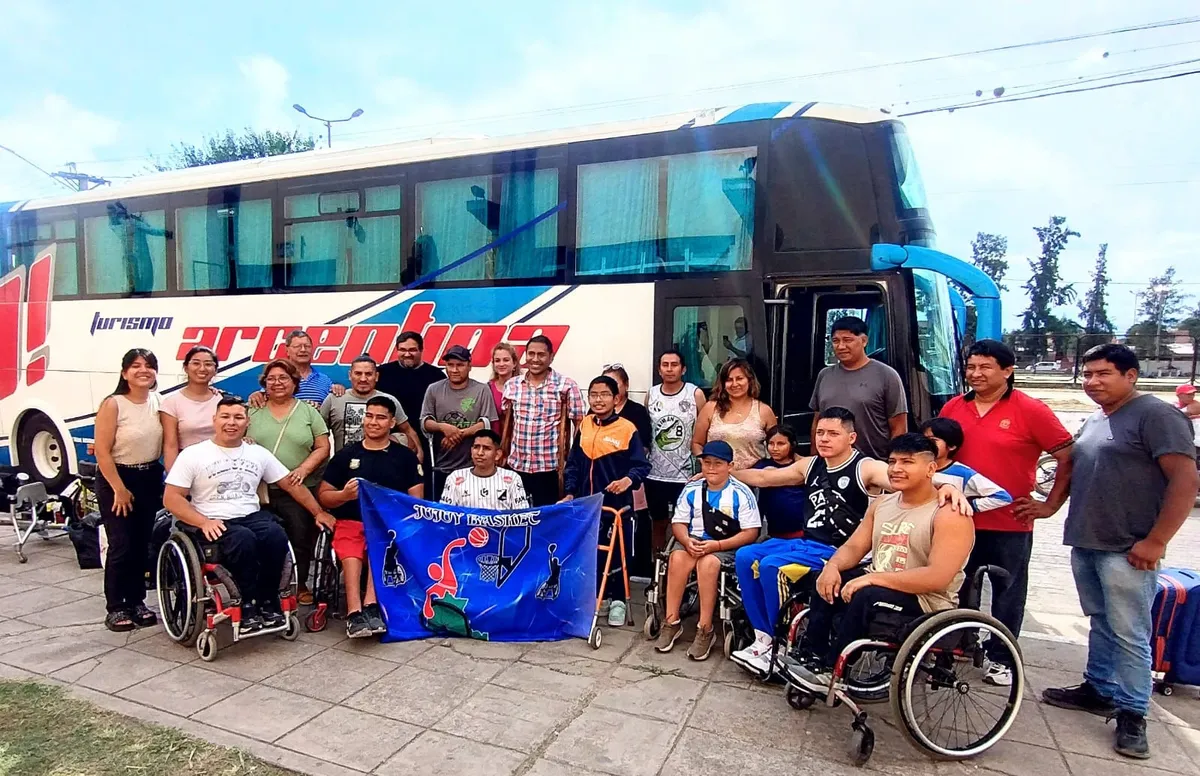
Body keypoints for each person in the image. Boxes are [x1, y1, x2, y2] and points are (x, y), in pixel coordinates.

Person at [1042, 344, 1199, 761]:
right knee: (1101, 621)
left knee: (1131, 633)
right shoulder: (1097, 418)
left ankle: (1133, 713)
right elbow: (1075, 468)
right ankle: (1099, 688)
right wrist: (1050, 507)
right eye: (1089, 374)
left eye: (1104, 374)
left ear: (1131, 375)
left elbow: (1185, 481)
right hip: (1089, 540)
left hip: (1129, 548)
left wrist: (1157, 540)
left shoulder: (1158, 416)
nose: (1093, 382)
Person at [729, 407, 961, 674]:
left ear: (851, 438)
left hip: (836, 548)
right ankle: (762, 638)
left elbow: (907, 477)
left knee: (772, 566)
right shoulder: (811, 464)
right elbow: (763, 477)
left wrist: (947, 487)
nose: (824, 439)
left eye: (832, 433)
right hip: (807, 541)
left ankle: (778, 643)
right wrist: (722, 473)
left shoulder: (865, 468)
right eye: (819, 433)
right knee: (745, 555)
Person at [788, 433, 974, 688]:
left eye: (907, 462)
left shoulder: (950, 514)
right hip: (882, 583)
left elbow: (937, 577)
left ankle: (833, 670)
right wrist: (832, 567)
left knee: (867, 593)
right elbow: (854, 546)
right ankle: (812, 656)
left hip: (925, 600)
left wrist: (872, 578)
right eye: (892, 461)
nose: (896, 469)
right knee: (825, 578)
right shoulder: (883, 503)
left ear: (931, 468)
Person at [942, 339, 1074, 687]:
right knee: (957, 585)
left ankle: (1001, 656)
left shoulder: (1030, 410)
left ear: (1007, 370)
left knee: (1007, 591)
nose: (976, 374)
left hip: (1009, 523)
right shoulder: (954, 407)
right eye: (971, 367)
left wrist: (1050, 505)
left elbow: (1067, 455)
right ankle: (956, 645)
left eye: (985, 367)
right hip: (958, 520)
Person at [164, 397, 336, 633]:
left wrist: (318, 512)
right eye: (225, 417)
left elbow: (290, 484)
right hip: (213, 519)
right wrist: (202, 522)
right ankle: (247, 603)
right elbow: (171, 498)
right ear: (214, 420)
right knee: (243, 540)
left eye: (238, 417)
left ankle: (268, 601)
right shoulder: (194, 455)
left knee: (276, 536)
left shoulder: (257, 453)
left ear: (247, 423)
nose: (231, 423)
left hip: (250, 515)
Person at [319, 396, 423, 639]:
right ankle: (354, 613)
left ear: (392, 422)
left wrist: (396, 518)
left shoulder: (404, 457)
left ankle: (372, 606)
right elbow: (324, 496)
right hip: (350, 521)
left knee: (382, 546)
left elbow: (415, 501)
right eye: (369, 416)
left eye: (380, 417)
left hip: (388, 526)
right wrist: (344, 495)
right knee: (351, 545)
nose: (373, 422)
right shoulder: (346, 455)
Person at [654, 440, 760, 661]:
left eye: (718, 463)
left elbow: (751, 532)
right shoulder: (692, 489)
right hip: (693, 540)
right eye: (707, 463)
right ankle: (671, 621)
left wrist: (717, 546)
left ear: (730, 466)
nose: (711, 468)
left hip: (725, 544)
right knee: (677, 559)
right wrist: (686, 540)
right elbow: (679, 523)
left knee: (709, 564)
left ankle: (706, 628)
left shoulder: (741, 493)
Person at [561, 375, 651, 628]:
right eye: (593, 394)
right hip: (587, 506)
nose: (598, 400)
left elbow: (642, 466)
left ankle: (619, 601)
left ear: (616, 398)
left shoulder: (627, 429)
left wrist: (627, 481)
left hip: (617, 506)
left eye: (604, 394)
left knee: (619, 555)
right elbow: (574, 464)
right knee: (591, 553)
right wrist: (570, 492)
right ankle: (594, 599)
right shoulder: (585, 425)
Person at [248, 360, 331, 606]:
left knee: (300, 534)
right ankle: (261, 586)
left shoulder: (308, 411)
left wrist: (304, 469)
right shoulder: (252, 409)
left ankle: (300, 583)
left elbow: (323, 446)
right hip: (258, 490)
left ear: (294, 382)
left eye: (283, 378)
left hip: (299, 488)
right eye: (271, 379)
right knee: (257, 538)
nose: (277, 383)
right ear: (264, 384)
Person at [93, 348, 164, 632]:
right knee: (121, 545)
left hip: (149, 477)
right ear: (125, 373)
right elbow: (102, 451)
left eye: (149, 366)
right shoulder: (113, 404)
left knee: (141, 544)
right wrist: (119, 489)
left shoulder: (159, 402)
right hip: (117, 479)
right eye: (136, 366)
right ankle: (116, 606)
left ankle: (137, 601)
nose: (143, 370)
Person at [501, 335, 586, 506]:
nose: (535, 359)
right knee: (516, 519)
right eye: (531, 354)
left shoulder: (566, 386)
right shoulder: (512, 385)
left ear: (551, 357)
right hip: (517, 465)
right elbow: (507, 422)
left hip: (549, 468)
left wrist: (574, 461)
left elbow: (579, 423)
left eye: (541, 355)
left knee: (547, 521)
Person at [809, 316, 907, 459]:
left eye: (848, 340)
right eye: (836, 341)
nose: (841, 346)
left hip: (873, 462)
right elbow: (817, 421)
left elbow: (899, 427)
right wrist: (814, 458)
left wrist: (893, 462)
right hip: (830, 464)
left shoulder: (886, 375)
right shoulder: (824, 375)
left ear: (864, 341)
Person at [645, 349, 706, 556]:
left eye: (674, 364)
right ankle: (658, 570)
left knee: (688, 524)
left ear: (683, 369)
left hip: (686, 475)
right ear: (659, 369)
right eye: (665, 365)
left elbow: (703, 431)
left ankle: (684, 568)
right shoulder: (651, 394)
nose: (669, 369)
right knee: (658, 523)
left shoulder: (695, 394)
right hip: (655, 474)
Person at [421, 345, 498, 499]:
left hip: (473, 467)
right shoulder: (433, 389)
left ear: (469, 366)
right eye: (450, 365)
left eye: (460, 365)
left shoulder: (481, 390)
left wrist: (458, 434)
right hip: (441, 466)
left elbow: (487, 423)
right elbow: (425, 421)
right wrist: (442, 427)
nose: (455, 370)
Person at [320, 355, 419, 456]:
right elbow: (318, 436)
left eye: (368, 374)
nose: (363, 379)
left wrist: (418, 459)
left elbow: (408, 430)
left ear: (376, 376)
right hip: (343, 467)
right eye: (358, 373)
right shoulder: (333, 399)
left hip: (381, 466)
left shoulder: (389, 400)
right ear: (350, 375)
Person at [691, 358, 776, 470]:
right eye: (729, 380)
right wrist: (707, 464)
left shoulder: (764, 411)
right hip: (717, 479)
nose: (734, 384)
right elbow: (696, 444)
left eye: (739, 378)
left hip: (754, 480)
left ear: (749, 380)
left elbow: (778, 445)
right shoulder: (710, 408)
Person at [920, 418, 1013, 513]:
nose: (927, 444)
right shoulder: (917, 468)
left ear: (951, 446)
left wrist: (967, 505)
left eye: (933, 440)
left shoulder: (962, 473)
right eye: (924, 439)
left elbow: (1002, 497)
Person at [375, 330, 446, 454]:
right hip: (387, 439)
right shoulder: (382, 373)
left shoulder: (436, 376)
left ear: (421, 350)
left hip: (426, 440)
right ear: (397, 350)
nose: (407, 354)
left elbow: (445, 408)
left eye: (412, 350)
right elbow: (361, 388)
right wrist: (338, 387)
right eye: (402, 350)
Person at [161, 345, 223, 472]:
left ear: (215, 370)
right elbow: (170, 446)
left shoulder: (222, 399)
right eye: (196, 363)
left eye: (208, 364)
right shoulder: (171, 402)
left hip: (221, 465)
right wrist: (174, 479)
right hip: (188, 468)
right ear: (186, 368)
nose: (202, 368)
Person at [249, 330, 343, 408]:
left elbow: (331, 409)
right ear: (287, 350)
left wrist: (339, 389)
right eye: (297, 346)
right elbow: (262, 396)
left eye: (307, 346)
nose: (303, 350)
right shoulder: (278, 379)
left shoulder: (324, 380)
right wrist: (257, 395)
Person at [440, 429, 531, 510]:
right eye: (476, 447)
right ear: (471, 451)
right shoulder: (455, 478)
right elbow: (445, 516)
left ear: (497, 455)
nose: (480, 453)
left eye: (486, 448)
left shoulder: (512, 478)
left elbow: (522, 515)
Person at [488, 342, 522, 415]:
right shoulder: (488, 388)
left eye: (506, 360)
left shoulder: (523, 387)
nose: (501, 364)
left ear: (514, 363)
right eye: (497, 360)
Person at [1175, 384, 1200, 455]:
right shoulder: (1173, 405)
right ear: (1179, 395)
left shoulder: (1195, 405)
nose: (1191, 396)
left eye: (1193, 394)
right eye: (1188, 394)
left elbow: (1189, 412)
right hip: (1186, 441)